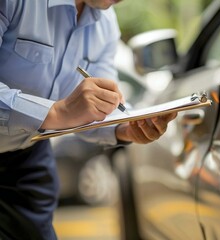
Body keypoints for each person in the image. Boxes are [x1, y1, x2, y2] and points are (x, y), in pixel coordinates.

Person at [0, 0, 177, 239]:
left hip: (26, 158)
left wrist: (124, 128)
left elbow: (96, 107)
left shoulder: (106, 23)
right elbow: (67, 111)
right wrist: (57, 113)